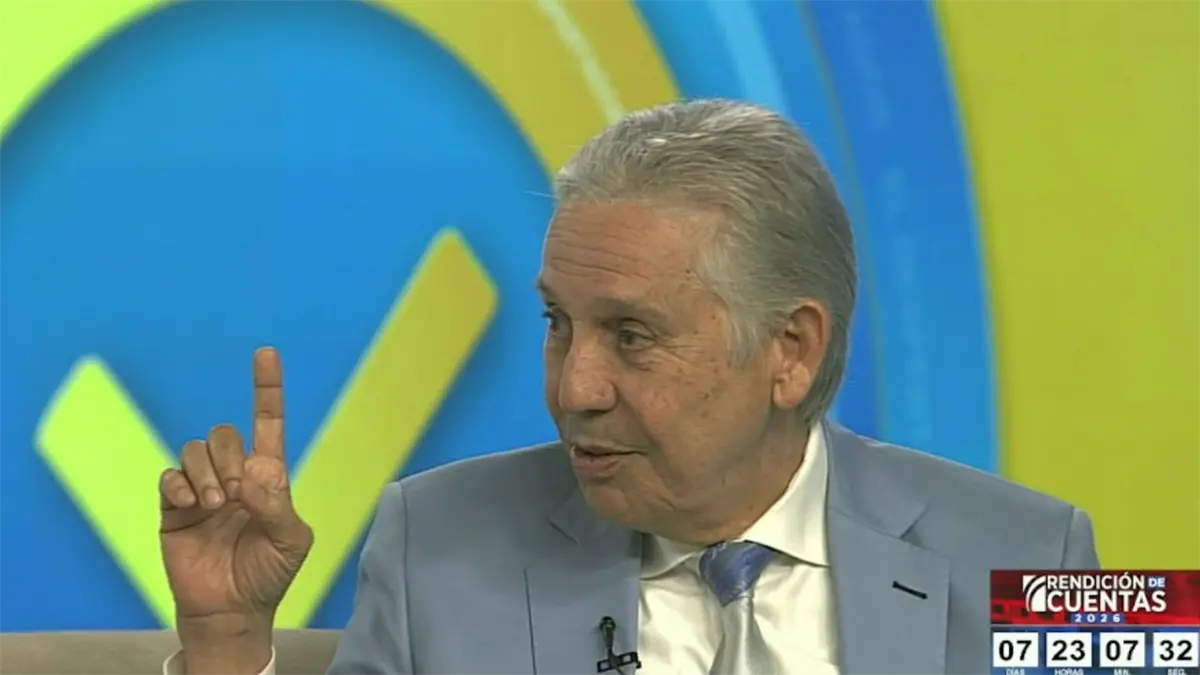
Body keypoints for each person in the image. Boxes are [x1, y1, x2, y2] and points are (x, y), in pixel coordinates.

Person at [158, 100, 1099, 675]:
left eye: (632, 336)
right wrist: (227, 642)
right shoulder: (435, 543)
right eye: (558, 323)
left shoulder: (1034, 555)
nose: (575, 387)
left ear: (792, 350)